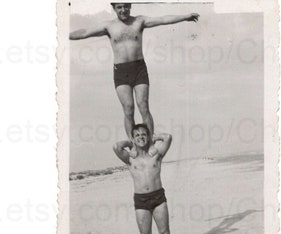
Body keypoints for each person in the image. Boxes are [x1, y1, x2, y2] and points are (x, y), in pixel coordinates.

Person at [70, 3, 199, 157]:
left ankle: (150, 143)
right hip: (121, 71)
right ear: (114, 8)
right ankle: (134, 145)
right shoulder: (109, 26)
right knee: (128, 109)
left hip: (139, 68)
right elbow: (85, 32)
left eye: (125, 6)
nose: (123, 10)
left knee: (143, 105)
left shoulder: (139, 21)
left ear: (130, 7)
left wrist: (186, 17)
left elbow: (163, 19)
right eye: (119, 7)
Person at [113, 124, 176, 234]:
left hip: (158, 198)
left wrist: (154, 138)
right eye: (137, 135)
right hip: (141, 201)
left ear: (148, 137)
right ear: (133, 139)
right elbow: (116, 147)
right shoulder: (130, 158)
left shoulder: (156, 154)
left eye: (143, 135)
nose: (141, 137)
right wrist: (130, 144)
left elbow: (168, 137)